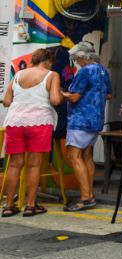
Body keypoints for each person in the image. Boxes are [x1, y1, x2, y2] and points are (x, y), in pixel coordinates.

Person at [2, 48, 63, 217]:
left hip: (15, 122)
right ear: (48, 61)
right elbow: (55, 100)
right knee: (34, 165)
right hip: (40, 121)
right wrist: (62, 95)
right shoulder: (52, 75)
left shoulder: (18, 75)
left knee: (14, 164)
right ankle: (30, 206)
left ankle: (8, 206)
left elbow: (7, 101)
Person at [61, 41, 110, 212]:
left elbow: (74, 97)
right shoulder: (103, 71)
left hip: (81, 118)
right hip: (96, 119)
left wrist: (61, 94)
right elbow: (109, 94)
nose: (76, 62)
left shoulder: (85, 71)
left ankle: (85, 197)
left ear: (83, 57)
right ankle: (89, 194)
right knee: (87, 155)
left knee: (73, 155)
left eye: (76, 59)